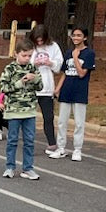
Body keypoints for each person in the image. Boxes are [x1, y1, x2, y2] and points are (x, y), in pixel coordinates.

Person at [0, 39, 42, 178]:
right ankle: (10, 167)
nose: (27, 58)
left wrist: (34, 79)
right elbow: (3, 87)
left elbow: (40, 87)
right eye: (24, 55)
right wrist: (19, 82)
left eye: (29, 55)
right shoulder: (10, 68)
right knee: (12, 140)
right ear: (16, 53)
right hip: (13, 110)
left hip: (29, 109)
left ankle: (28, 168)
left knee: (29, 140)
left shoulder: (33, 68)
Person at [50, 25, 96, 161]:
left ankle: (77, 149)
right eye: (74, 35)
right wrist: (57, 89)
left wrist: (76, 58)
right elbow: (65, 73)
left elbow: (82, 73)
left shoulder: (89, 54)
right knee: (62, 122)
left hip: (79, 92)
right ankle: (61, 148)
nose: (76, 38)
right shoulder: (68, 53)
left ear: (85, 37)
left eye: (79, 35)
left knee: (79, 123)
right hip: (66, 91)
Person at [29, 24, 63, 155]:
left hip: (47, 87)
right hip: (31, 87)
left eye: (41, 40)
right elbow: (23, 62)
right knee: (28, 115)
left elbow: (58, 65)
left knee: (48, 117)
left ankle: (51, 143)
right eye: (37, 40)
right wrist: (34, 64)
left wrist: (50, 63)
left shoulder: (53, 46)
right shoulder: (31, 46)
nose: (39, 42)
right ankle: (28, 141)